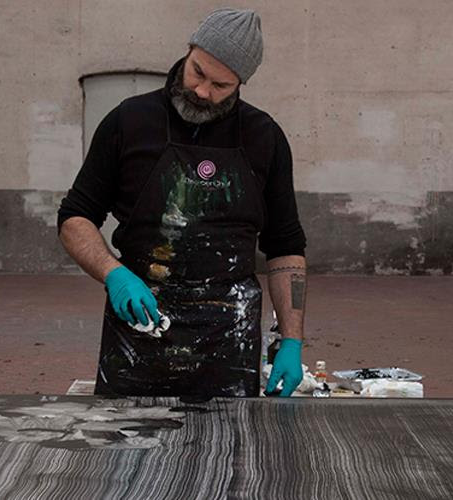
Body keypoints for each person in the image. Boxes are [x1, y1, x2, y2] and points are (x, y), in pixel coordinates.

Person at [57, 8, 307, 398]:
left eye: (221, 85)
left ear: (241, 83)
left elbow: (286, 248)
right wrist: (113, 273)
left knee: (228, 437)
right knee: (126, 436)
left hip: (229, 337)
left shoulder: (264, 137)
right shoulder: (129, 122)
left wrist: (291, 339)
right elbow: (74, 217)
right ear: (189, 50)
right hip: (139, 329)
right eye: (198, 72)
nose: (203, 91)